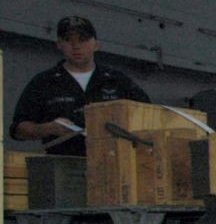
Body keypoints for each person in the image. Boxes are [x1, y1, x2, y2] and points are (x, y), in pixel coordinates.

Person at [9, 15, 149, 157]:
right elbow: (18, 130)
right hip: (64, 167)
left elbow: (148, 115)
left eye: (83, 40)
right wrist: (48, 128)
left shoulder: (117, 80)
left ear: (96, 44)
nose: (76, 46)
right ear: (59, 44)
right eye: (68, 40)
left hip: (114, 164)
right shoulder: (44, 82)